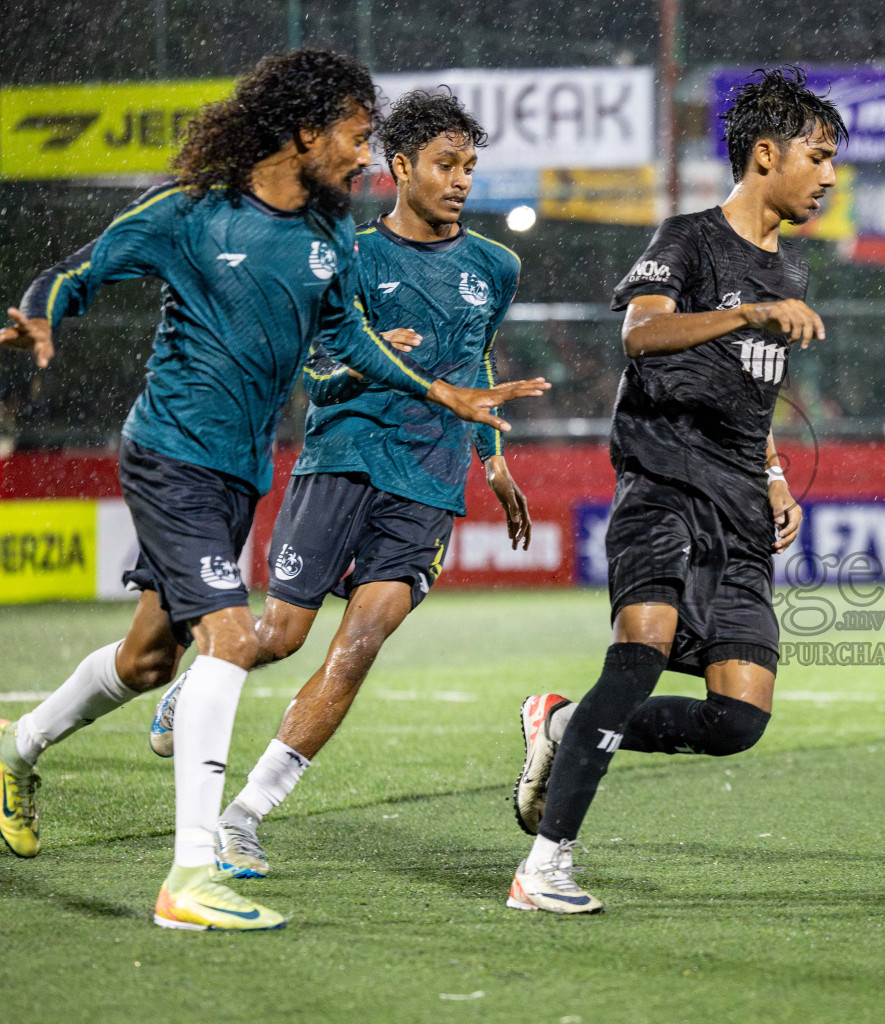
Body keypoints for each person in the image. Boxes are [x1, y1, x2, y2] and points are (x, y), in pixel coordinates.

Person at [0, 50, 520, 931]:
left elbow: (348, 341)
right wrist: (41, 311)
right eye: (357, 138)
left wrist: (448, 396)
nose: (364, 157)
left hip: (241, 473)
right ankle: (193, 875)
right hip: (171, 454)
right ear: (304, 131)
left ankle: (17, 752)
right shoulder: (193, 215)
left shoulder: (325, 242)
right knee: (238, 637)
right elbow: (78, 270)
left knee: (148, 661)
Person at [145, 89, 546, 880]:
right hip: (342, 463)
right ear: (400, 167)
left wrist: (490, 455)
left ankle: (244, 815)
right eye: (445, 164)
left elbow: (476, 357)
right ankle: (198, 679)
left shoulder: (497, 267)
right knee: (280, 637)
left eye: (470, 165)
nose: (462, 180)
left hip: (427, 483)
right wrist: (361, 361)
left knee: (358, 648)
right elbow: (310, 375)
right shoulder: (346, 256)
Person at [505, 66, 846, 914]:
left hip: (738, 505)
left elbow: (748, 392)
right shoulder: (689, 239)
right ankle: (544, 866)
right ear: (766, 154)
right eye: (820, 155)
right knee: (641, 653)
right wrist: (744, 314)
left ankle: (558, 725)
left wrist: (771, 476)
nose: (831, 175)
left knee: (737, 721)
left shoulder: (791, 273)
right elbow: (642, 333)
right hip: (661, 484)